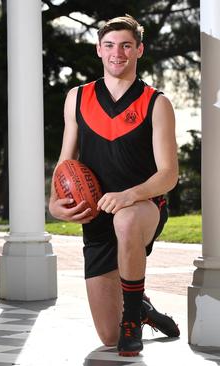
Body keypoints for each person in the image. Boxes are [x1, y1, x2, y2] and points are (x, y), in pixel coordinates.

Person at [48, 15, 180, 357]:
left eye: (125, 45)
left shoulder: (156, 103)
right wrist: (53, 202)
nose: (116, 53)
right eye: (109, 45)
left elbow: (169, 174)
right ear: (98, 50)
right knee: (108, 336)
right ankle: (142, 308)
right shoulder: (77, 98)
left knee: (125, 219)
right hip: (96, 216)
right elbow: (66, 161)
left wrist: (130, 195)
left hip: (143, 207)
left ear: (139, 50)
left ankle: (132, 318)